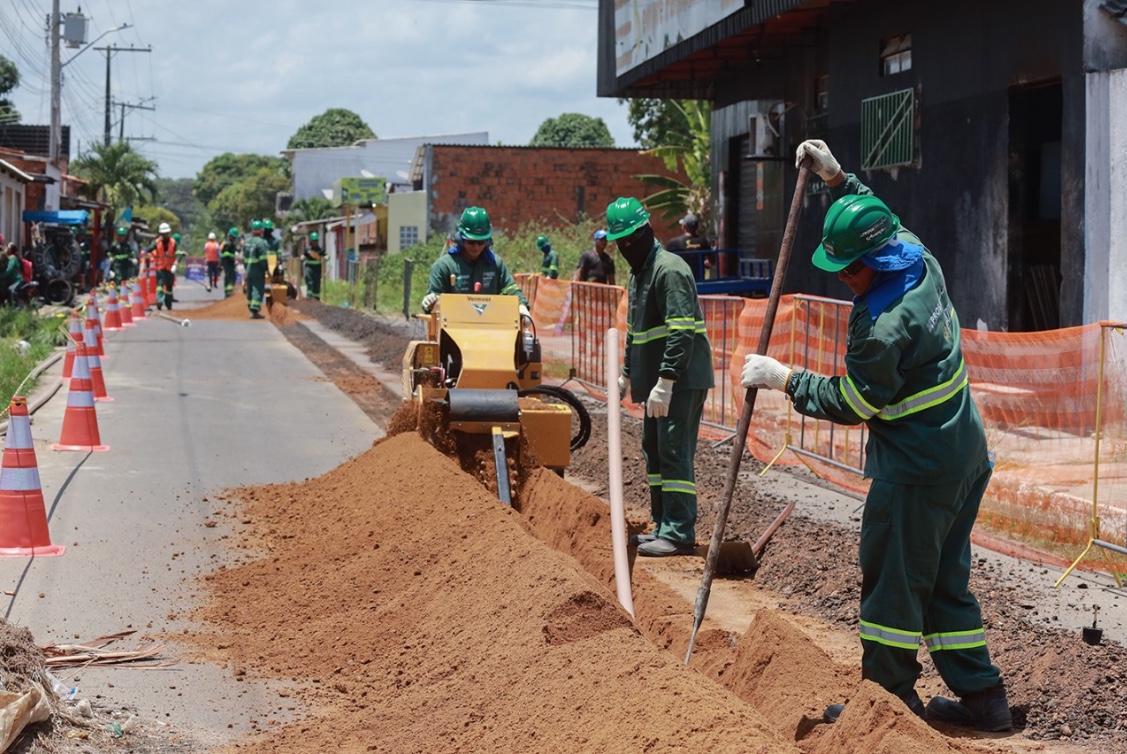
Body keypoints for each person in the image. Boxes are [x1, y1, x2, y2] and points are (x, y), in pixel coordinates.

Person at [741, 139, 1011, 731]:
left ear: (872, 263)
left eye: (847, 269)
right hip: (965, 454)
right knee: (943, 581)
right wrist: (840, 180)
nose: (843, 279)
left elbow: (856, 401)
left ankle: (886, 704)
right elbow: (881, 221)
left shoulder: (882, 326)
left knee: (893, 586)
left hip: (916, 471)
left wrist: (787, 380)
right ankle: (984, 700)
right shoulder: (917, 256)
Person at [608, 197, 713, 557]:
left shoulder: (669, 270)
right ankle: (662, 523)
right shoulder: (639, 273)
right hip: (657, 383)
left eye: (630, 239)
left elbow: (682, 331)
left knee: (673, 450)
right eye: (620, 242)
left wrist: (666, 380)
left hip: (680, 381)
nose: (626, 247)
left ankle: (679, 532)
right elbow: (635, 332)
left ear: (645, 231)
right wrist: (625, 375)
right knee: (653, 449)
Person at [421, 207, 530, 316]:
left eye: (480, 242)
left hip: (490, 323)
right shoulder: (444, 266)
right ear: (461, 239)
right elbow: (434, 299)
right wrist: (431, 301)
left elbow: (511, 289)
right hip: (454, 324)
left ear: (488, 241)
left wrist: (521, 306)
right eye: (471, 242)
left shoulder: (495, 264)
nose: (476, 247)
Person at [665, 213, 713, 280]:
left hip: (680, 279)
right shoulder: (703, 241)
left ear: (684, 227)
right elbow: (712, 261)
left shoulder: (674, 243)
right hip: (698, 278)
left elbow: (666, 262)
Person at [147, 223, 178, 310]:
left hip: (170, 268)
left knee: (169, 287)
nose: (165, 235)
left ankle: (168, 303)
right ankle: (159, 300)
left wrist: (176, 263)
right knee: (160, 285)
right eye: (163, 234)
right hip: (160, 268)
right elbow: (148, 249)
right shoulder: (156, 242)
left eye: (166, 233)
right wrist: (147, 253)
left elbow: (178, 253)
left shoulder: (173, 242)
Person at [242, 219, 269, 319]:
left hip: (248, 269)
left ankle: (251, 307)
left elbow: (244, 257)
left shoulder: (247, 241)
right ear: (261, 231)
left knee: (250, 289)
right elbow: (263, 259)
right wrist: (266, 269)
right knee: (257, 289)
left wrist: (246, 268)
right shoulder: (261, 242)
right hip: (257, 270)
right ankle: (255, 310)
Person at [303, 231, 324, 301]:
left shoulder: (320, 250)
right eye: (314, 241)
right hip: (309, 268)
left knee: (317, 283)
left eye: (316, 241)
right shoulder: (308, 250)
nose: (315, 242)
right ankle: (309, 297)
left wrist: (327, 257)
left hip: (317, 269)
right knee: (309, 281)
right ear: (311, 241)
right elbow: (304, 255)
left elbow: (325, 255)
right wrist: (302, 257)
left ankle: (316, 299)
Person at [220, 227, 240, 298]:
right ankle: (228, 292)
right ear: (230, 236)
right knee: (231, 277)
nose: (234, 239)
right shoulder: (228, 244)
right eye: (234, 237)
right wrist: (233, 256)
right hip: (228, 263)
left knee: (230, 276)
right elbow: (225, 254)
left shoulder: (227, 243)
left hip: (229, 263)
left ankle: (228, 291)